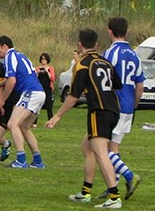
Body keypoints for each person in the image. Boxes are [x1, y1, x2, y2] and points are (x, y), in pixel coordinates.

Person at [46, 28, 123, 209]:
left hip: (99, 110)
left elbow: (73, 96)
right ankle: (86, 193)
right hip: (113, 109)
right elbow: (117, 84)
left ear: (79, 44)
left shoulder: (82, 64)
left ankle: (114, 197)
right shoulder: (105, 62)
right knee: (87, 146)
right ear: (96, 44)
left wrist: (57, 115)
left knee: (100, 151)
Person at [98, 17, 143, 200]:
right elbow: (140, 85)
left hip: (113, 106)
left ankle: (130, 175)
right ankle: (112, 186)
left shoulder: (110, 53)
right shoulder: (135, 55)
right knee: (113, 147)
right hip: (128, 106)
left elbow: (104, 79)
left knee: (101, 147)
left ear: (110, 31)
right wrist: (134, 104)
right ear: (126, 31)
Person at [0, 36, 45, 169]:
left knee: (12, 124)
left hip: (30, 92)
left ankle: (21, 160)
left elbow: (12, 80)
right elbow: (19, 75)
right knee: (24, 127)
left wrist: (2, 100)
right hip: (39, 92)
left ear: (5, 47)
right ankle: (38, 161)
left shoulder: (9, 57)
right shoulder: (20, 55)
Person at [33, 53, 55, 127]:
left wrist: (47, 71)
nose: (43, 60)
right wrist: (37, 72)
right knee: (37, 105)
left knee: (49, 106)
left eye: (45, 59)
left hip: (48, 88)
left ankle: (50, 122)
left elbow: (52, 78)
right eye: (42, 59)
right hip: (39, 88)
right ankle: (34, 122)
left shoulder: (50, 68)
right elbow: (34, 78)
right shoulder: (37, 68)